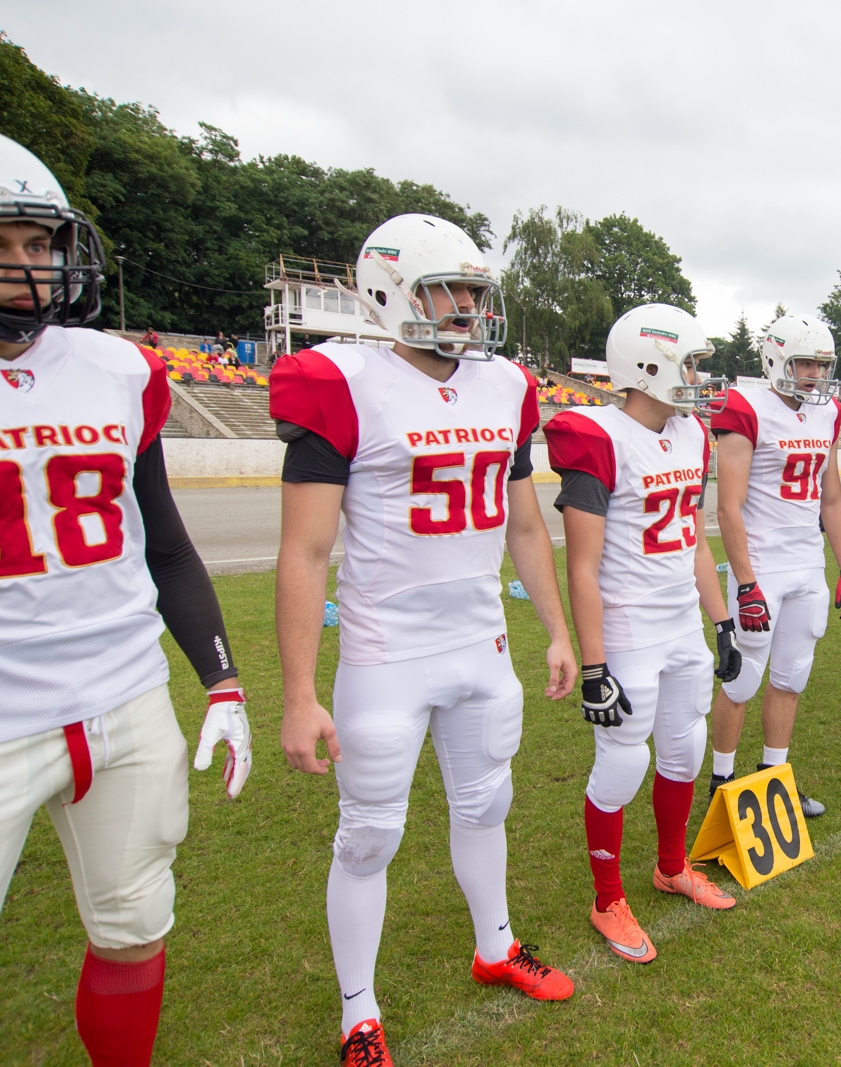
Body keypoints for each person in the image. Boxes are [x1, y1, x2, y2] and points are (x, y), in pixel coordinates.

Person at [0, 120, 250, 1066]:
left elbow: (165, 544)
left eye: (42, 244)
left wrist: (222, 680)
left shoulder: (116, 369)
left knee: (134, 922)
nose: (32, 268)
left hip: (123, 700)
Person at [273, 213, 578, 1065]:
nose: (468, 308)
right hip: (384, 653)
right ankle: (357, 1008)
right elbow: (303, 549)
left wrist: (554, 630)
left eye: (477, 292)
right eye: (451, 289)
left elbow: (524, 524)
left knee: (489, 803)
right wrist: (298, 695)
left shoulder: (503, 384)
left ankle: (496, 944)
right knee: (370, 833)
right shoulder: (341, 380)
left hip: (479, 642)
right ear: (389, 289)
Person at [545, 303, 741, 966]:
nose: (695, 377)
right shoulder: (596, 436)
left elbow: (693, 539)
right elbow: (582, 563)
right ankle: (606, 899)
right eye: (688, 362)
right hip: (627, 624)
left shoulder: (693, 435)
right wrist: (595, 664)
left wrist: (720, 620)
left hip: (680, 617)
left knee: (683, 749)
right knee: (623, 760)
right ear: (648, 364)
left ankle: (670, 866)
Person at [706, 314, 841, 818]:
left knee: (792, 677)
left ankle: (774, 782)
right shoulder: (745, 406)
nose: (814, 373)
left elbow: (831, 497)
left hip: (807, 566)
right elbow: (728, 506)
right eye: (805, 362)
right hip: (762, 565)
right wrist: (745, 582)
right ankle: (720, 784)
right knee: (742, 680)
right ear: (775, 359)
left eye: (821, 364)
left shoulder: (828, 412)